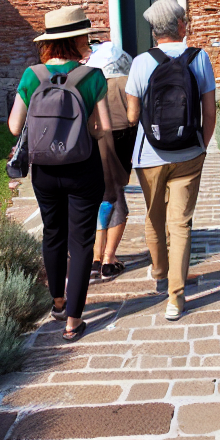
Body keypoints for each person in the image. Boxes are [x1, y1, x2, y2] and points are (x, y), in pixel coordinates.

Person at [8, 5, 113, 342]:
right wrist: (84, 133)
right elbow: (104, 127)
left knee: (53, 233)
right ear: (78, 37)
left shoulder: (31, 75)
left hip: (44, 171)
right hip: (83, 167)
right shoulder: (92, 76)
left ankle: (57, 302)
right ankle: (74, 321)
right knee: (81, 242)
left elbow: (13, 127)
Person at [125, 0, 218, 321]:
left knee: (154, 217)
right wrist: (201, 146)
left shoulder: (140, 62)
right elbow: (209, 110)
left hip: (149, 155)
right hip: (189, 153)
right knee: (181, 224)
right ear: (179, 25)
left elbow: (133, 115)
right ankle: (175, 298)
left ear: (154, 30)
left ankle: (159, 271)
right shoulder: (200, 57)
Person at [87, 40, 137, 278]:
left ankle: (96, 256)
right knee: (117, 199)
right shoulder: (128, 82)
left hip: (94, 144)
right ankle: (108, 258)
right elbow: (134, 116)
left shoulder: (91, 84)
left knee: (101, 200)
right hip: (121, 146)